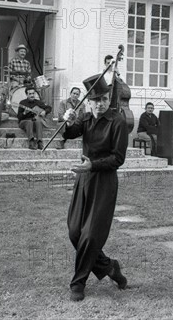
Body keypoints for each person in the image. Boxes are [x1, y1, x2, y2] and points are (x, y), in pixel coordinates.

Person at [63, 74, 129, 302]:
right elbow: (69, 133)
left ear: (108, 98)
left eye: (103, 99)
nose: (99, 104)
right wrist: (68, 121)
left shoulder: (117, 121)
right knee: (75, 232)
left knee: (90, 236)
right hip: (85, 179)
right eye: (95, 100)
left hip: (104, 181)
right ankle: (110, 268)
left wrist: (93, 164)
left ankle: (78, 283)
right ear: (88, 102)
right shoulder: (86, 118)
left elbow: (118, 158)